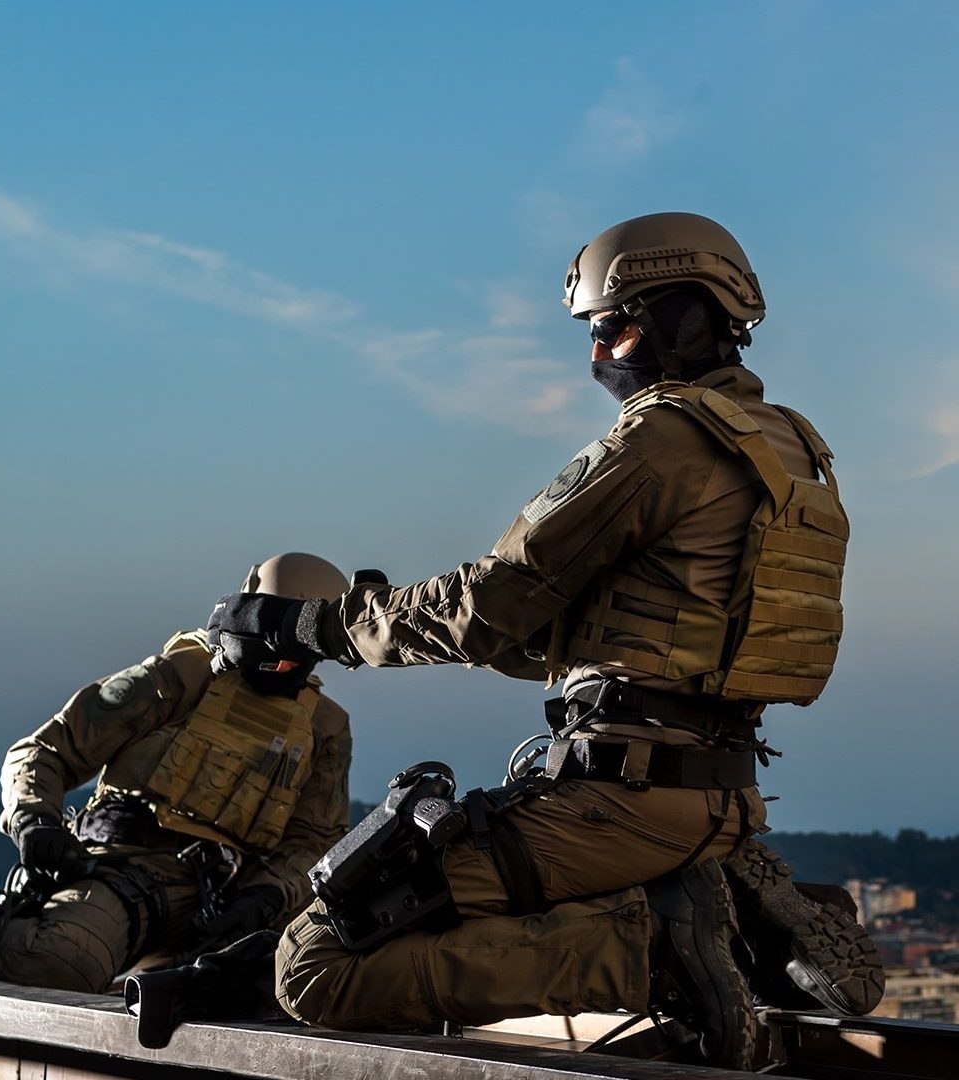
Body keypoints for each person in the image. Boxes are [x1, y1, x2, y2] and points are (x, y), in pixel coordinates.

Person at [205, 215, 883, 1069]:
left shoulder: (662, 439)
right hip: (717, 792)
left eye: (618, 324)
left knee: (312, 964)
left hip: (618, 795)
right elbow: (553, 633)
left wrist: (314, 623)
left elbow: (491, 602)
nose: (602, 351)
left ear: (687, 315)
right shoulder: (792, 450)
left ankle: (652, 953)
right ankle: (711, 897)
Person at [0, 551, 353, 994]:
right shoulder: (182, 675)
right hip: (123, 870)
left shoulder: (324, 726)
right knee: (57, 963)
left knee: (301, 990)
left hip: (226, 905)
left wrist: (266, 897)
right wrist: (35, 822)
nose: (282, 662)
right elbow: (45, 751)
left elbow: (316, 842)